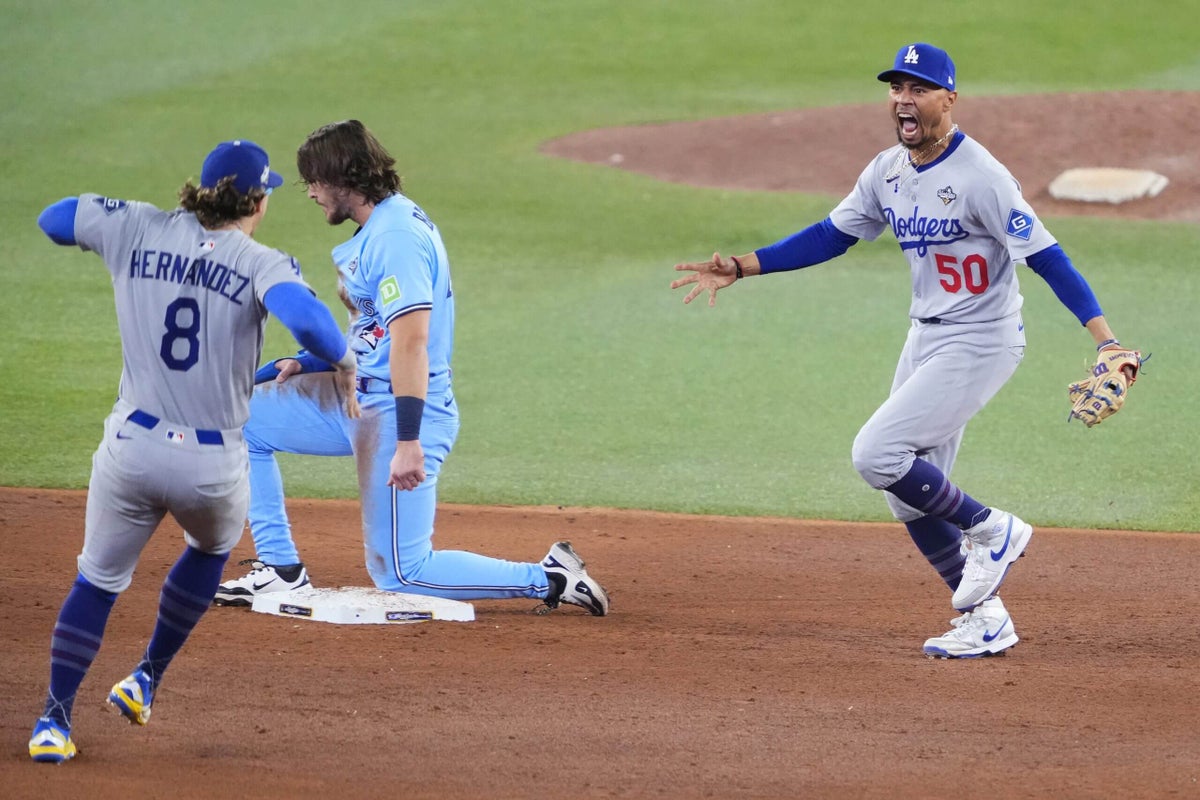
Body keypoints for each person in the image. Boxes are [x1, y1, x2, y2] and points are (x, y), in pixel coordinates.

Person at [671, 43, 1135, 658]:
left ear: (949, 98)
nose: (903, 100)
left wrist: (1107, 341)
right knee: (904, 490)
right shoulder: (887, 170)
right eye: (896, 88)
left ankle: (992, 528)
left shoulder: (983, 177)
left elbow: (1048, 257)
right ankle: (986, 620)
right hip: (926, 338)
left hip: (981, 340)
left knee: (876, 454)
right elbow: (832, 235)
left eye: (918, 88)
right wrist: (742, 266)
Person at [28, 140, 359, 763]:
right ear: (257, 203)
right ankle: (146, 677)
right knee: (209, 549)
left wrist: (122, 220)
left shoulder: (137, 226)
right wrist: (344, 361)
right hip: (210, 467)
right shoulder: (262, 262)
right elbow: (310, 324)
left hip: (131, 449)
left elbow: (52, 219)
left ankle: (53, 720)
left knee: (96, 583)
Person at [210, 119, 609, 618]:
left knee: (402, 572)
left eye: (313, 181)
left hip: (397, 410)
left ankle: (549, 578)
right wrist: (311, 360)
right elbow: (375, 330)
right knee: (243, 419)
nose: (309, 192)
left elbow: (412, 343)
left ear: (341, 178)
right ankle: (279, 568)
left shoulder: (395, 237)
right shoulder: (379, 227)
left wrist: (407, 440)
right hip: (357, 396)